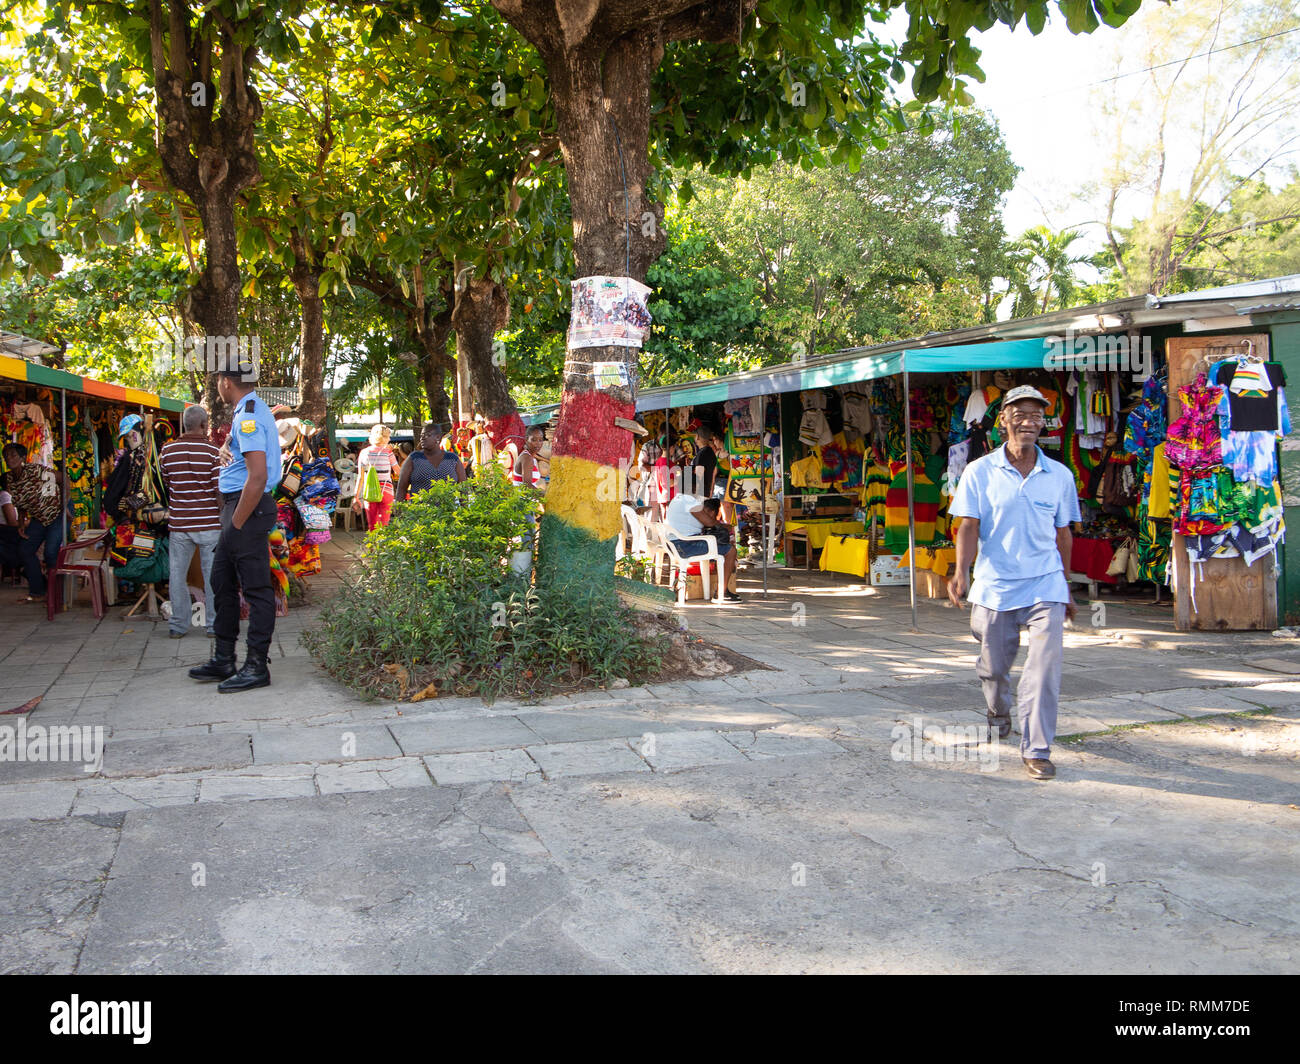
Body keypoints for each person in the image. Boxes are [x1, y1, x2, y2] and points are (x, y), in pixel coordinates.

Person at [947, 385, 1080, 781]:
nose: (1029, 422)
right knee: (994, 666)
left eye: (1037, 416)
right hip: (995, 584)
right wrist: (960, 571)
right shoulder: (979, 471)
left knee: (1043, 667)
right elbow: (968, 525)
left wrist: (1067, 585)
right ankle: (997, 706)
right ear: (1003, 420)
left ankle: (1037, 748)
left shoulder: (1059, 475)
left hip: (1045, 583)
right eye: (1019, 414)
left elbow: (1064, 535)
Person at [188, 368, 281, 693]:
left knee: (256, 589)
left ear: (226, 382)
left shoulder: (249, 416)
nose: (218, 387)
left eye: (217, 382)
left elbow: (257, 477)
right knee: (220, 581)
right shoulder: (248, 411)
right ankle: (224, 658)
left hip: (247, 509)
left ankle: (256, 666)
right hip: (239, 508)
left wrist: (237, 522)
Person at [159, 405, 220, 639]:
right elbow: (218, 490)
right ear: (204, 425)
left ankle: (178, 625)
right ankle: (213, 625)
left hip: (180, 525)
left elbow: (168, 483)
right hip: (210, 524)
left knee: (177, 575)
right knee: (212, 576)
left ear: (184, 425)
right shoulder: (213, 452)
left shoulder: (167, 451)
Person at [3, 441, 64, 603]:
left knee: (51, 552)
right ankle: (38, 592)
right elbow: (20, 503)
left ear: (23, 457)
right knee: (24, 550)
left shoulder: (35, 470)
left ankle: (57, 595)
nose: (9, 459)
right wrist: (22, 524)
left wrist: (67, 507)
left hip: (56, 513)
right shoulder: (10, 478)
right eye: (6, 456)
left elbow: (62, 478)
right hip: (39, 517)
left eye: (13, 455)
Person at [664, 493, 740, 602]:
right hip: (684, 545)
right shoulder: (688, 500)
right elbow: (709, 522)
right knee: (730, 551)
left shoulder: (677, 498)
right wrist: (726, 526)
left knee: (716, 545)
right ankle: (722, 593)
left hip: (674, 544)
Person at [397, 424, 466, 499]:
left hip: (448, 509)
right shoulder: (414, 459)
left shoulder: (452, 459)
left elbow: (463, 489)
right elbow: (401, 488)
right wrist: (399, 509)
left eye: (427, 435)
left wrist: (465, 509)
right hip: (420, 509)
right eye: (421, 435)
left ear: (438, 437)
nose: (422, 438)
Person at [353, 424, 398, 528]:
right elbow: (398, 471)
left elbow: (361, 477)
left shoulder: (364, 453)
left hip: (370, 490)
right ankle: (383, 544)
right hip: (386, 490)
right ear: (386, 438)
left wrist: (356, 496)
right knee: (384, 524)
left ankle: (374, 543)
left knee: (373, 525)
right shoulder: (388, 453)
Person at [0, 475, 23, 575]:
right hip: (7, 533)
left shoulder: (12, 497)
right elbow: (12, 522)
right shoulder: (5, 495)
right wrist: (28, 522)